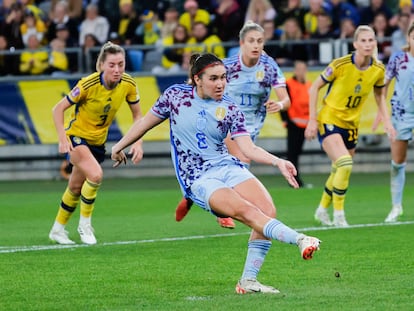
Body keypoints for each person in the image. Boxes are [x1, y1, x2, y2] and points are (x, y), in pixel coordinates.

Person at [111, 52, 321, 294]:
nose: (220, 83)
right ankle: (299, 239)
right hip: (198, 178)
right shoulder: (175, 97)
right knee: (247, 211)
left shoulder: (230, 106)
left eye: (223, 77)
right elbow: (144, 123)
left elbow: (248, 148)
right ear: (197, 79)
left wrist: (278, 162)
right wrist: (118, 147)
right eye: (213, 78)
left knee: (268, 209)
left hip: (226, 166)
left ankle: (248, 281)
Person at [176, 21, 291, 229]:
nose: (256, 45)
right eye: (251, 41)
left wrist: (279, 104)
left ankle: (193, 197)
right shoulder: (227, 66)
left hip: (250, 129)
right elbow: (198, 84)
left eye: (260, 41)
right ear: (241, 43)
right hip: (225, 124)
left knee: (239, 167)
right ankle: (224, 211)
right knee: (240, 159)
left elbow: (286, 100)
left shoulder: (269, 66)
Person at [48, 41, 144, 245]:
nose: (117, 69)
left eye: (121, 64)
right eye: (111, 64)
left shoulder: (129, 84)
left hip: (98, 142)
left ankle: (57, 230)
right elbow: (57, 109)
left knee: (75, 187)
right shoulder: (87, 84)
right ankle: (85, 226)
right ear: (101, 65)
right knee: (96, 175)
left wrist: (138, 142)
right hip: (76, 137)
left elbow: (138, 117)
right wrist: (62, 138)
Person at [305, 25, 396, 227]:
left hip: (351, 125)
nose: (367, 44)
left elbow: (380, 95)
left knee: (338, 168)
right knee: (345, 163)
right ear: (355, 44)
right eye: (363, 40)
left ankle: (321, 210)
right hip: (329, 118)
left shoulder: (378, 70)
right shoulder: (341, 64)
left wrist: (386, 121)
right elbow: (315, 87)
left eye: (371, 40)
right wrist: (312, 120)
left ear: (375, 43)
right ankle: (339, 216)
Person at [373, 22, 414, 222]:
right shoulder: (399, 59)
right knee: (398, 163)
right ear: (409, 38)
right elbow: (383, 87)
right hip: (400, 114)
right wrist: (382, 114)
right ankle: (396, 206)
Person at [281, 60, 312, 187]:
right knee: (292, 153)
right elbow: (284, 101)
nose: (301, 71)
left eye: (303, 69)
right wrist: (285, 120)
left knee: (297, 152)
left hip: (305, 124)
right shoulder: (288, 84)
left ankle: (295, 179)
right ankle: (294, 180)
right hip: (293, 123)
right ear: (294, 70)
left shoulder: (309, 85)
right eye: (298, 69)